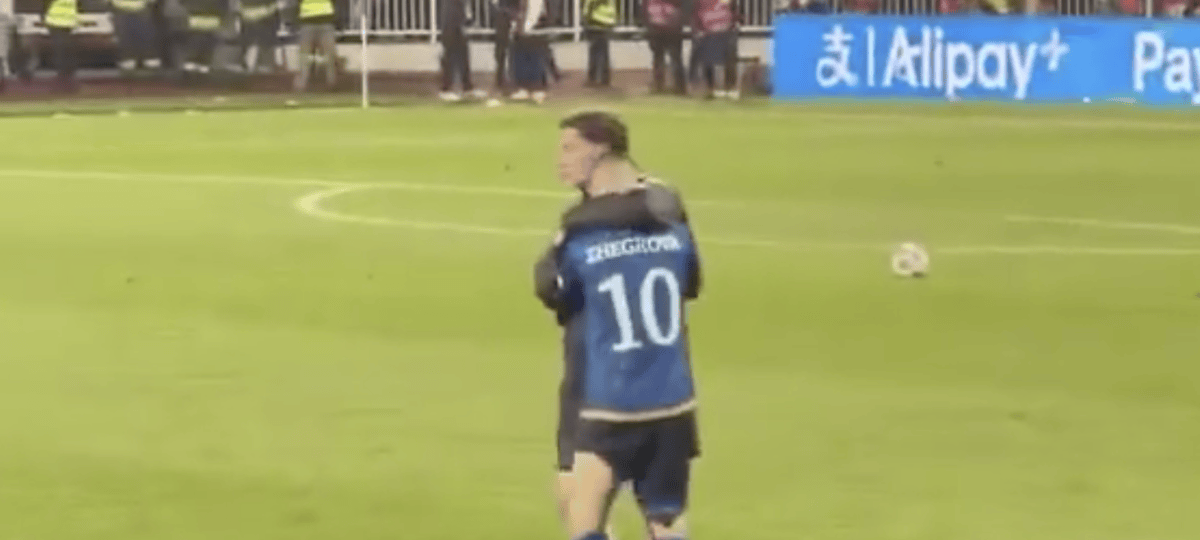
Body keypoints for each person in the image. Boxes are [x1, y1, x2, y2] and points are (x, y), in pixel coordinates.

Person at [534, 111, 702, 540]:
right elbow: (692, 283)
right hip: (673, 394)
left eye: (570, 148)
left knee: (578, 500)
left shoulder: (581, 234)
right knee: (665, 516)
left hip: (602, 389)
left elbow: (551, 289)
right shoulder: (668, 212)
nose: (559, 160)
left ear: (601, 149)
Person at [642, 0, 686, 95]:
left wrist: (647, 24)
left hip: (663, 25)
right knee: (670, 58)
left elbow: (644, 8)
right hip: (668, 25)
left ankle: (662, 85)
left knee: (663, 57)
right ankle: (676, 86)